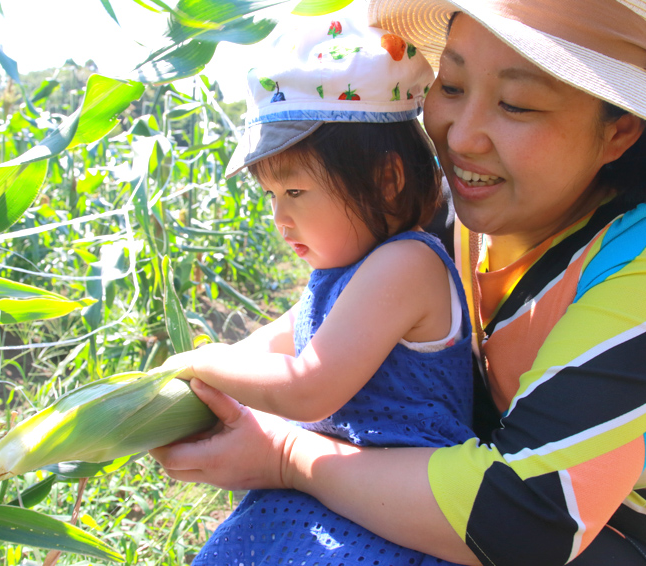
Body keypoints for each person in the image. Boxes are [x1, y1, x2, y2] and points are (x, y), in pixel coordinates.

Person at [152, 0, 646, 564]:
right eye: (453, 85)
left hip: (627, 538)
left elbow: (532, 520)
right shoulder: (458, 206)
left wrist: (288, 456)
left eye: (516, 103)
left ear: (620, 131)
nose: (461, 138)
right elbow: (324, 326)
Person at [163, 12, 475, 565]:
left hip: (389, 522)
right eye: (271, 196)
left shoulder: (406, 265)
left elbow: (307, 388)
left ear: (387, 179)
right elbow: (266, 348)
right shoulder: (341, 279)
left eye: (296, 191)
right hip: (336, 502)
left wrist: (201, 360)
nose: (279, 218)